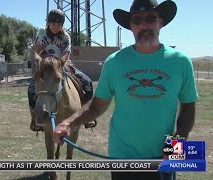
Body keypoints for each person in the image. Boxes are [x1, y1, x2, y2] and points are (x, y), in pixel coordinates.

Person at [53, 0, 198, 179]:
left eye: (150, 18)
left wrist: (176, 146)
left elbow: (188, 108)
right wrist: (68, 123)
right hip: (121, 159)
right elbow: (96, 106)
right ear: (131, 26)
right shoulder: (114, 62)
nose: (144, 25)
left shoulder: (181, 62)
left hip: (163, 158)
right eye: (137, 20)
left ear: (160, 22)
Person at [28, 9, 95, 132]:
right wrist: (48, 60)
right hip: (45, 66)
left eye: (59, 24)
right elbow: (38, 47)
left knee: (87, 82)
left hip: (62, 65)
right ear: (49, 23)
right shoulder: (42, 32)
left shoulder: (65, 36)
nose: (56, 26)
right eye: (53, 23)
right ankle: (35, 117)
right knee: (31, 88)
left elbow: (66, 52)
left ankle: (87, 116)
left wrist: (59, 63)